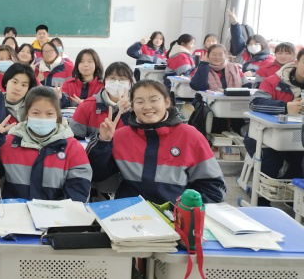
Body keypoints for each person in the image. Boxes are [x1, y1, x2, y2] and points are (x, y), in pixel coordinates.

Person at [0, 85, 92, 279]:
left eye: (49, 113)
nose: (42, 118)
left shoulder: (72, 147)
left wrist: (50, 219)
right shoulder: (8, 141)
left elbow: (79, 190)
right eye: (36, 113)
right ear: (26, 114)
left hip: (58, 229)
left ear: (58, 116)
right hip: (15, 229)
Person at [89, 80, 226, 204]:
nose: (147, 107)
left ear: (167, 102)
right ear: (132, 106)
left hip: (175, 214)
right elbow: (96, 175)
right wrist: (103, 141)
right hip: (129, 212)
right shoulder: (121, 136)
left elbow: (214, 188)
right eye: (140, 102)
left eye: (154, 100)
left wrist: (184, 209)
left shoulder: (190, 136)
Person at [246, 48, 304, 193]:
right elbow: (255, 103)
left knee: (299, 163)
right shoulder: (274, 81)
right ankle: (261, 197)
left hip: (297, 139)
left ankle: (293, 197)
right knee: (271, 160)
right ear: (296, 62)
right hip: (265, 135)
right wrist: (285, 107)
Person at [70, 62, 134, 141]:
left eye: (122, 79)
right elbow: (74, 140)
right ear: (105, 81)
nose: (117, 82)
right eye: (112, 78)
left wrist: (128, 112)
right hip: (95, 148)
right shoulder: (86, 106)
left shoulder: (137, 108)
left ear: (130, 83)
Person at [189, 44, 244, 134]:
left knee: (239, 121)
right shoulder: (202, 67)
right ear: (208, 55)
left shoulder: (233, 68)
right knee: (217, 120)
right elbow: (198, 86)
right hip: (208, 105)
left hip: (232, 104)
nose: (217, 57)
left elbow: (245, 84)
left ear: (225, 56)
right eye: (213, 54)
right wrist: (204, 65)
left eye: (220, 54)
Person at [0, 63, 38, 131]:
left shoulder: (33, 106)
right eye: (14, 82)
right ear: (6, 82)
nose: (18, 88)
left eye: (24, 85)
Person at [227, 10, 273, 76]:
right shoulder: (243, 53)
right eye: (250, 44)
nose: (253, 46)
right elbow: (237, 38)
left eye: (256, 44)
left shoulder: (269, 59)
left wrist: (253, 74)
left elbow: (269, 74)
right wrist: (235, 23)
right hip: (239, 81)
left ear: (262, 45)